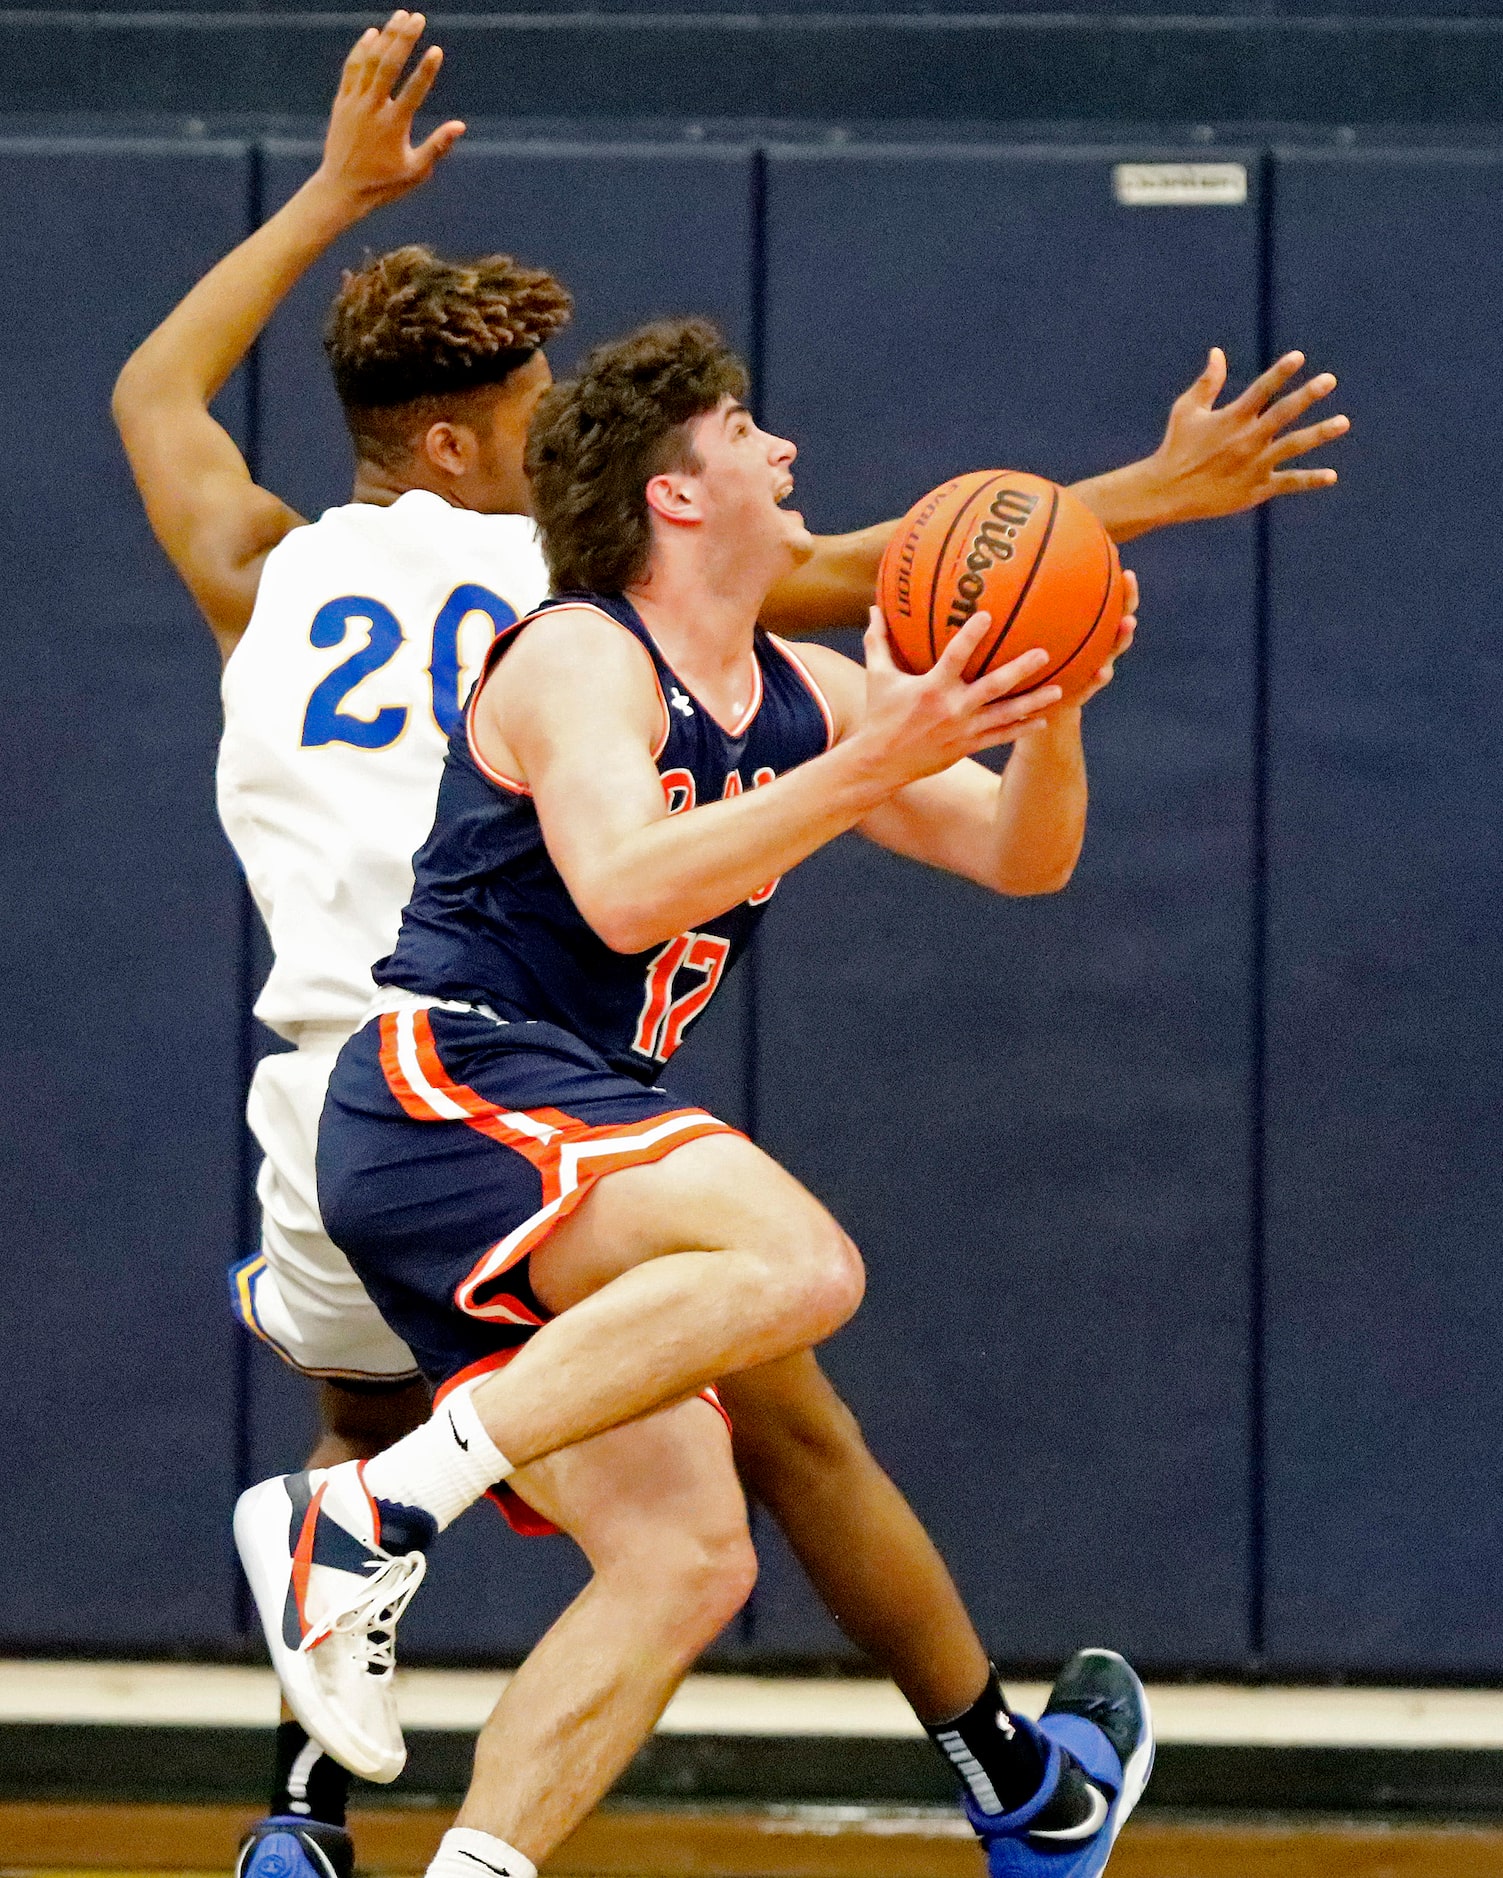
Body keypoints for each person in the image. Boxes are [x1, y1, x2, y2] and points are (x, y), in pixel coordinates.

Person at [108, 15, 1352, 1877]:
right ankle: (1007, 1767)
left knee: (680, 1536)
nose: (558, 450)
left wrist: (335, 197)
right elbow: (898, 559)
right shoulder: (574, 599)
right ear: (477, 450)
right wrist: (1140, 498)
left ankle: (324, 1818)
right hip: (464, 1061)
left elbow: (151, 395)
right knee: (790, 1345)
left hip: (339, 1122)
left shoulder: (268, 567)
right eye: (532, 423)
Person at [238, 311, 1151, 1878]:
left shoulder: (805, 690)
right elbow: (617, 889)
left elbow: (1021, 854)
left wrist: (1042, 698)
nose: (785, 451)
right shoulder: (579, 649)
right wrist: (879, 758)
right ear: (673, 494)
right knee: (800, 1263)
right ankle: (368, 1512)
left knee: (686, 1556)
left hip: (553, 1130)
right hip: (447, 1084)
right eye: (747, 433)